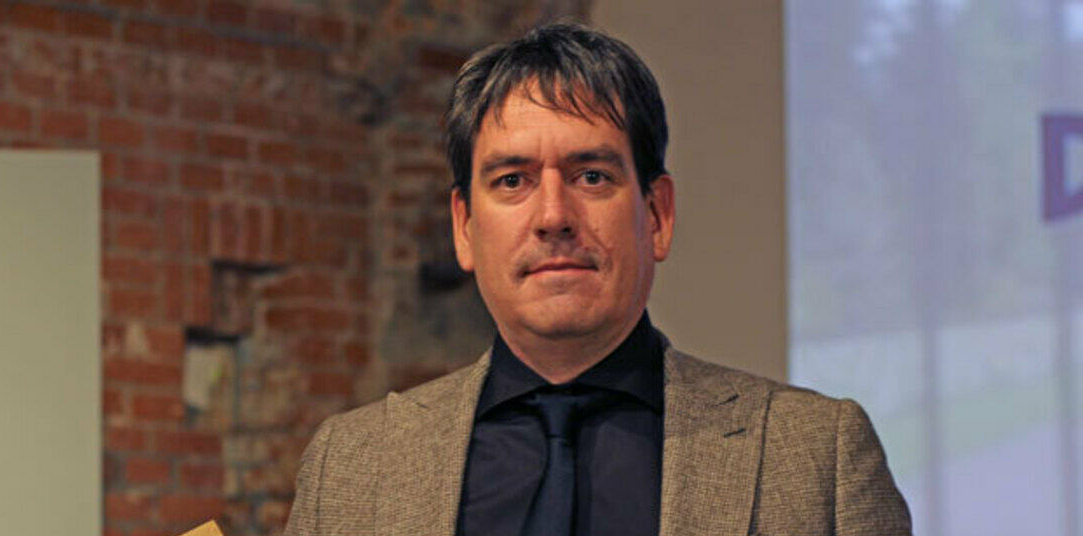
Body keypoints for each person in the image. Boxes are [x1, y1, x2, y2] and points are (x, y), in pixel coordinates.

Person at [283, 23, 911, 536]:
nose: (553, 216)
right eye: (512, 180)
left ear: (657, 215)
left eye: (592, 176)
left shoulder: (815, 458)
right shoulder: (352, 466)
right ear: (465, 227)